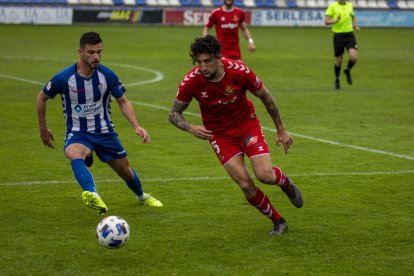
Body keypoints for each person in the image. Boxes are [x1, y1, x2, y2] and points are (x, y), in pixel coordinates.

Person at [168, 35, 303, 236]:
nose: (202, 67)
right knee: (245, 184)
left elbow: (266, 97)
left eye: (207, 61)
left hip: (246, 125)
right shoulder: (192, 81)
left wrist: (281, 129)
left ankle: (284, 182)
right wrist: (190, 128)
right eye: (198, 62)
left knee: (264, 175)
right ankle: (278, 221)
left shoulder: (239, 72)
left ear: (218, 58)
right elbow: (173, 114)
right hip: (219, 135)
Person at [36, 32, 162, 214]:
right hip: (79, 132)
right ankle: (93, 194)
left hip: (105, 132)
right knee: (73, 153)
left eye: (99, 52)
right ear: (80, 51)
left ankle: (142, 196)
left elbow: (123, 101)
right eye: (91, 52)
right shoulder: (64, 78)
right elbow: (41, 98)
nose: (96, 57)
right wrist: (43, 130)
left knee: (126, 172)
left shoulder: (107, 75)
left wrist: (136, 125)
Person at [325, 0, 360, 90]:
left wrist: (355, 26)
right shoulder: (332, 6)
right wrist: (335, 21)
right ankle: (337, 79)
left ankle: (347, 70)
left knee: (354, 57)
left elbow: (353, 17)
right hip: (338, 36)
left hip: (349, 35)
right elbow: (326, 21)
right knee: (339, 61)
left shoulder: (349, 5)